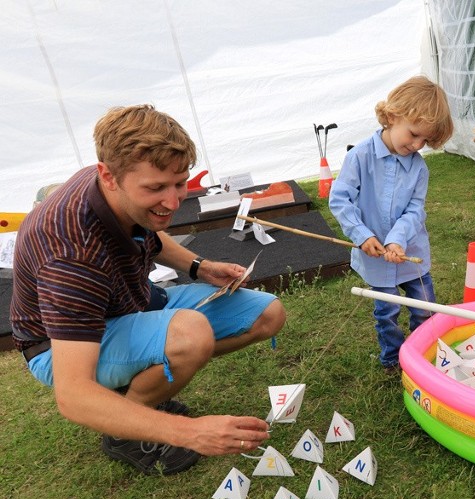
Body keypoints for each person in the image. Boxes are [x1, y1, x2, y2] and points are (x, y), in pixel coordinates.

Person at [11, 105, 287, 475]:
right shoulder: (70, 254)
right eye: (156, 188)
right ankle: (126, 428)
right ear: (108, 176)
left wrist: (199, 267)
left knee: (268, 315)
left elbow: (148, 230)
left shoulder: (107, 182)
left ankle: (134, 397)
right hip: (56, 347)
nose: (173, 202)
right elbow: (72, 395)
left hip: (129, 305)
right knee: (191, 335)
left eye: (179, 184)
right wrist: (190, 432)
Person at [329, 76, 454, 371]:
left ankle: (426, 356)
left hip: (410, 252)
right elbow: (340, 199)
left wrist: (397, 239)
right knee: (387, 311)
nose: (417, 144)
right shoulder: (359, 156)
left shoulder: (419, 168)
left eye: (425, 141)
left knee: (425, 306)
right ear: (393, 116)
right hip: (374, 255)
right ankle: (393, 359)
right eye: (413, 134)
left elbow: (414, 210)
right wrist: (361, 235)